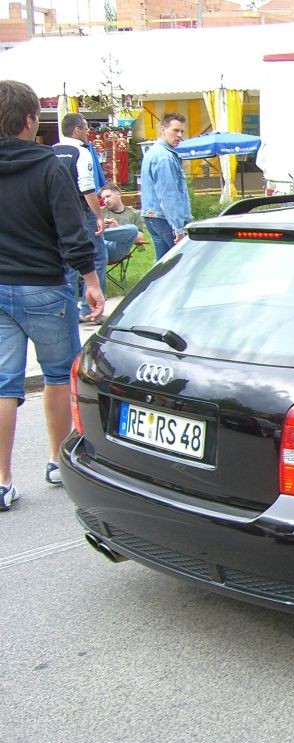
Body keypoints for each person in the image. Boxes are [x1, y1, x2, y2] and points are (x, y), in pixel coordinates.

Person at [0, 80, 104, 508]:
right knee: (59, 375)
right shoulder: (49, 166)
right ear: (30, 120)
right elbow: (71, 230)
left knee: (4, 384)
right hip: (44, 285)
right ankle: (57, 461)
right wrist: (91, 280)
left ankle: (2, 479)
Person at [53, 112, 107, 321]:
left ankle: (68, 310)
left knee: (67, 261)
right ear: (76, 130)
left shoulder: (51, 151)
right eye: (85, 128)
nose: (87, 133)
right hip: (81, 210)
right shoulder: (81, 152)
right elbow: (87, 187)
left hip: (57, 214)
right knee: (97, 256)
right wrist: (99, 215)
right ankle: (90, 308)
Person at [140, 112, 191, 260]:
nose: (179, 135)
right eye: (175, 130)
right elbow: (169, 195)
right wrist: (178, 228)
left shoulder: (153, 152)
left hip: (152, 216)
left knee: (163, 264)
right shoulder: (164, 157)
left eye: (181, 131)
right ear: (163, 130)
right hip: (164, 219)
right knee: (180, 262)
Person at [99, 183, 146, 264]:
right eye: (103, 198)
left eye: (108, 196)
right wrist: (101, 224)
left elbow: (139, 239)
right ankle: (98, 235)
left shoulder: (134, 213)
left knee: (132, 229)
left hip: (117, 249)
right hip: (99, 246)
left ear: (118, 194)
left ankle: (98, 234)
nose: (106, 200)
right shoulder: (100, 212)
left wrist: (117, 228)